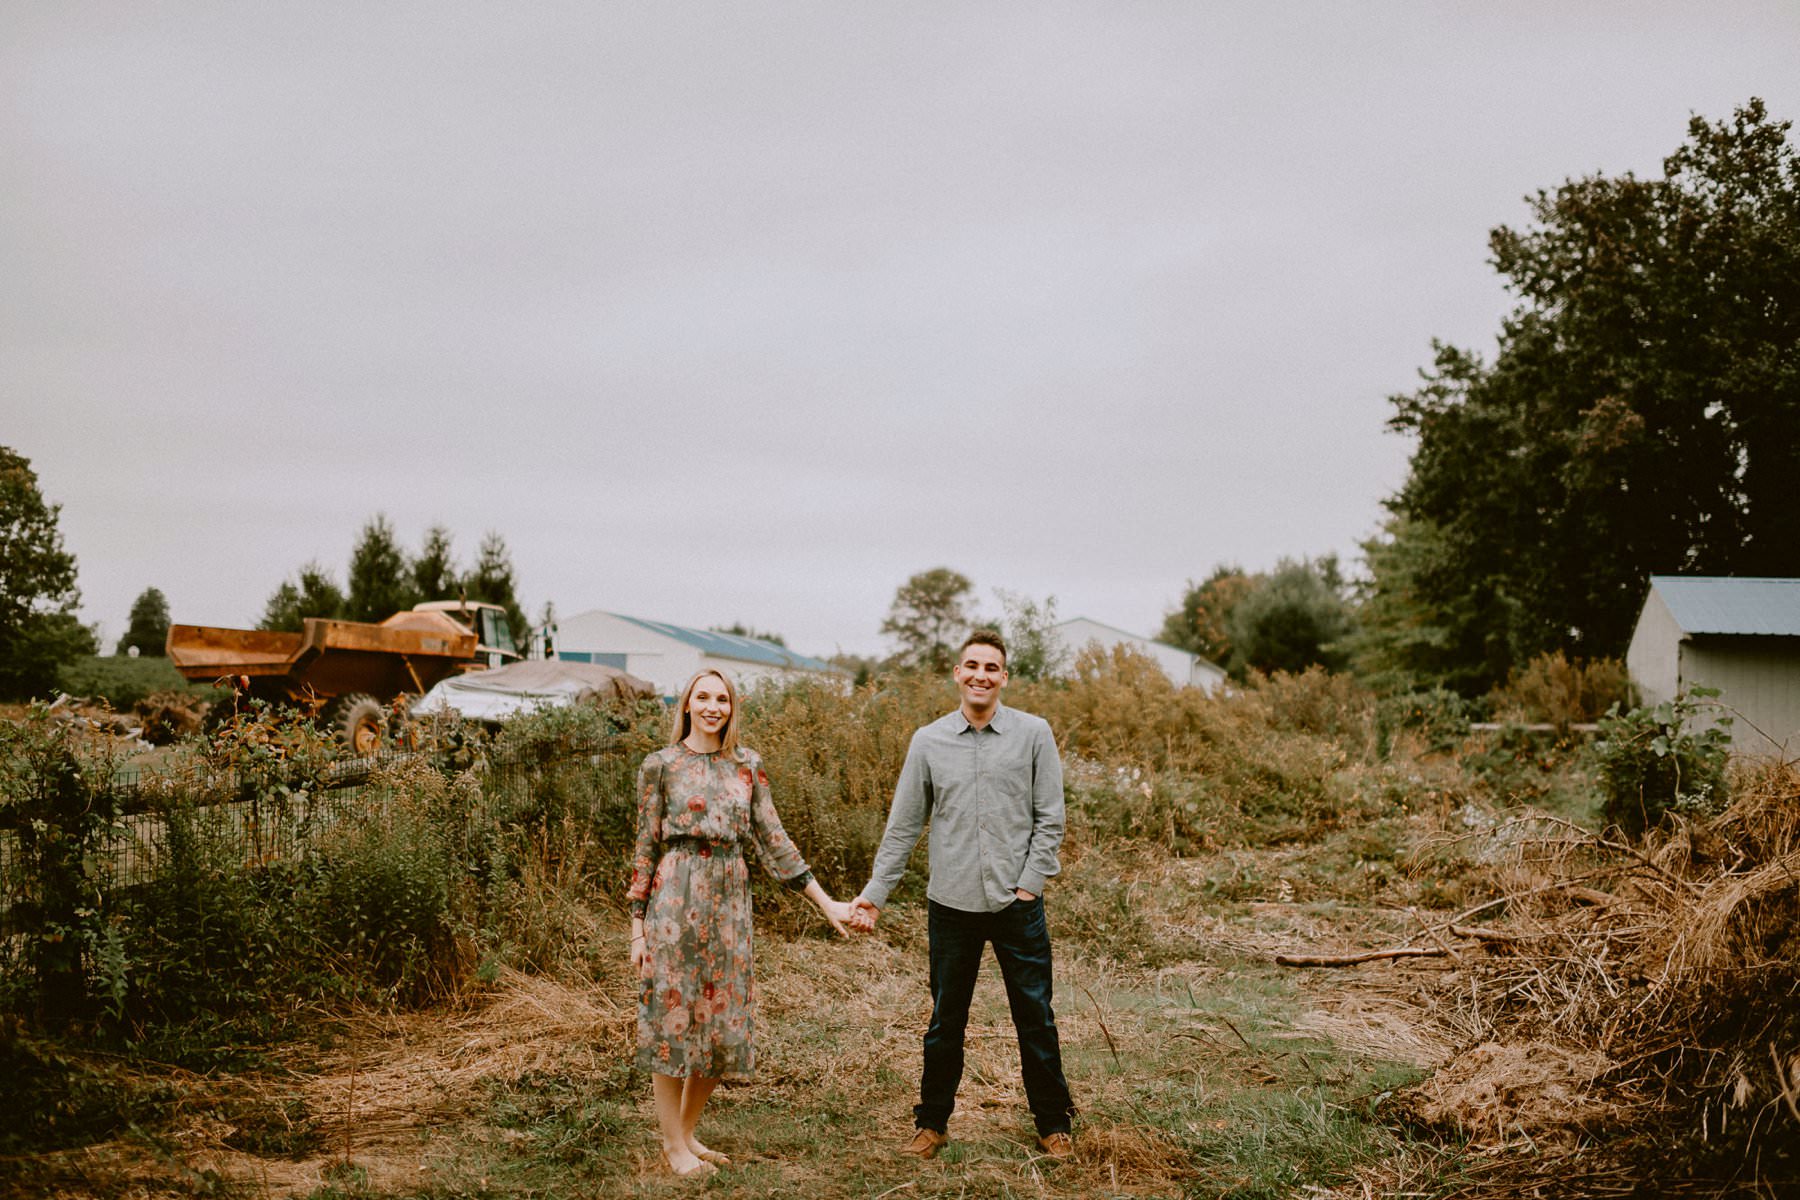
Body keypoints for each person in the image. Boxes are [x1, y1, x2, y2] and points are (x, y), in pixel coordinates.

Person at [850, 629, 1077, 1160]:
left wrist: (1029, 886)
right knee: (945, 1020)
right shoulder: (928, 741)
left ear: (1004, 677)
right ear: (957, 673)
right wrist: (875, 894)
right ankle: (932, 1124)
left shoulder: (1033, 734)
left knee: (1035, 1016)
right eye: (971, 665)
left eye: (991, 667)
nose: (981, 675)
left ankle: (1053, 1123)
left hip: (1016, 906)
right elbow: (903, 826)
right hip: (950, 905)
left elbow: (1051, 820)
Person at [628, 668, 855, 1178]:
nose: (713, 706)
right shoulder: (660, 765)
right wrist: (637, 927)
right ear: (686, 704)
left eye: (722, 698)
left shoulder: (746, 765)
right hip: (675, 897)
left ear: (733, 706)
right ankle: (671, 1146)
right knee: (673, 1019)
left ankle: (687, 1132)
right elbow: (644, 848)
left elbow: (775, 841)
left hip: (731, 903)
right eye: (703, 697)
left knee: (720, 1020)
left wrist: (827, 902)